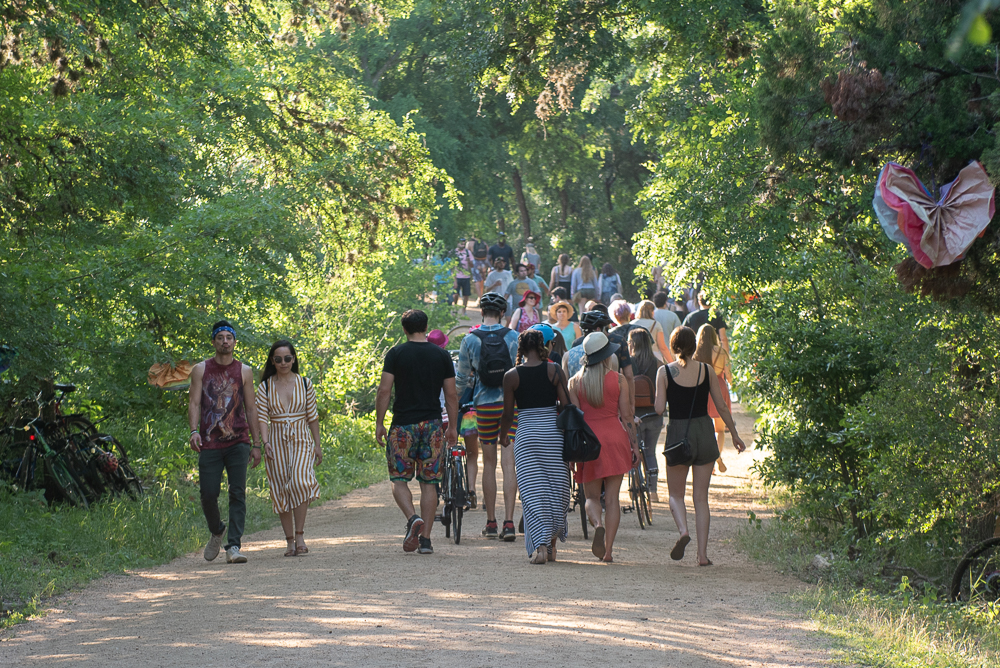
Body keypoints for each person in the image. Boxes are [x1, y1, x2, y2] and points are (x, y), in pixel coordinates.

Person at [654, 326, 746, 566]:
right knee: (701, 498)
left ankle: (684, 530)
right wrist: (734, 434)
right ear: (694, 347)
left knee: (676, 494)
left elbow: (658, 408)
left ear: (674, 347)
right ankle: (702, 555)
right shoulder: (706, 371)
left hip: (678, 435)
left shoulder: (664, 372)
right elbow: (722, 407)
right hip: (704, 432)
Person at [376, 310, 459, 555]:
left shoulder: (396, 354)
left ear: (404, 329)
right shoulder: (441, 355)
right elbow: (451, 395)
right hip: (432, 426)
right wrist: (452, 426)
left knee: (398, 479)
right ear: (425, 327)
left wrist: (380, 422)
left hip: (403, 425)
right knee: (429, 483)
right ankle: (425, 540)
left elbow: (384, 390)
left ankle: (413, 519)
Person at [188, 320, 263, 564]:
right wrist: (193, 431)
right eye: (220, 337)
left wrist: (256, 444)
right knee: (208, 494)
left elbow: (252, 409)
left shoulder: (244, 371)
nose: (224, 342)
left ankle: (234, 546)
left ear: (234, 342)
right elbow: (195, 403)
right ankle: (217, 529)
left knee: (237, 492)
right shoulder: (201, 369)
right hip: (209, 441)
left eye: (228, 338)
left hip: (238, 440)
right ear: (214, 341)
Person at [499, 330, 572, 564]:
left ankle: (539, 547)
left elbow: (508, 414)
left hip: (527, 436)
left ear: (520, 348)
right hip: (552, 435)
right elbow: (566, 405)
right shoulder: (554, 370)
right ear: (544, 346)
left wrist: (502, 437)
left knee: (532, 493)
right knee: (556, 490)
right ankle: (551, 546)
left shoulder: (511, 376)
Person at [569, 332, 641, 562]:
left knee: (590, 497)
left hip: (588, 443)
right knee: (612, 499)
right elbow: (627, 416)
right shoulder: (618, 380)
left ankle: (597, 524)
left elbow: (574, 420)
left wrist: (572, 454)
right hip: (615, 440)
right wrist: (635, 447)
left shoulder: (575, 382)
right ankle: (608, 550)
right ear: (606, 355)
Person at [456, 292, 520, 541]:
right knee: (509, 464)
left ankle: (491, 522)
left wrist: (454, 403)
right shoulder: (514, 337)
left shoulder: (470, 339)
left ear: (482, 312)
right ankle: (510, 523)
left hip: (483, 405)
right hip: (509, 406)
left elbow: (462, 378)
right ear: (503, 313)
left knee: (489, 464)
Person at [256, 339, 322, 557]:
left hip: (301, 437)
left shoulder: (305, 383)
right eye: (278, 359)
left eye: (287, 358)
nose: (283, 362)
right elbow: (261, 417)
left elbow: (312, 417)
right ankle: (290, 541)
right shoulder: (265, 386)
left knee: (299, 480)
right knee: (281, 486)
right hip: (275, 438)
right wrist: (264, 443)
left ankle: (301, 533)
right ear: (272, 361)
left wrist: (317, 445)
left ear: (293, 359)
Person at [568, 307, 636, 410]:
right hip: (610, 403)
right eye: (607, 329)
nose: (608, 333)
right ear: (599, 329)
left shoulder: (576, 345)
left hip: (581, 404)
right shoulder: (617, 342)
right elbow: (629, 375)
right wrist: (631, 404)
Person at [628, 328, 663, 503]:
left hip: (634, 415)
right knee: (650, 452)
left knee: (634, 452)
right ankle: (653, 490)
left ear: (633, 344)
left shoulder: (628, 363)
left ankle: (637, 487)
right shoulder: (658, 364)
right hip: (654, 414)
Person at [694, 324, 733, 474]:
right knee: (720, 430)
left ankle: (708, 459)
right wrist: (730, 381)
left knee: (702, 428)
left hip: (702, 389)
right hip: (719, 386)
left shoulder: (696, 353)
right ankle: (717, 456)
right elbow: (728, 375)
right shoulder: (722, 352)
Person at [652, 291, 682, 360]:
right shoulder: (673, 315)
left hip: (655, 353)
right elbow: (679, 333)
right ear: (665, 302)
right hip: (670, 351)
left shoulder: (651, 316)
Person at [452, 238, 473, 315]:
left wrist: (469, 261)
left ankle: (464, 310)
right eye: (461, 243)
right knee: (455, 294)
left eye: (464, 243)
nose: (462, 244)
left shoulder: (468, 252)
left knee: (466, 295)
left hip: (466, 277)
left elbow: (472, 265)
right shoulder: (454, 252)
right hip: (456, 276)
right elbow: (451, 266)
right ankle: (455, 307)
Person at [471, 235, 490, 299]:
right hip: (483, 262)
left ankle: (480, 297)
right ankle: (481, 296)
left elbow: (468, 254)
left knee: (477, 280)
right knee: (482, 279)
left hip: (476, 262)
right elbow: (488, 252)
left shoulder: (470, 243)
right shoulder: (484, 243)